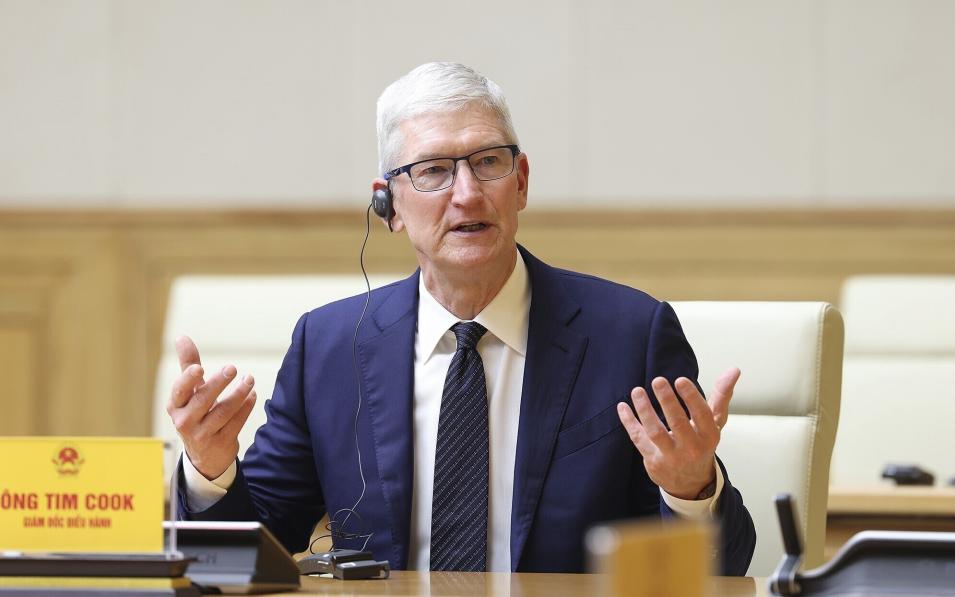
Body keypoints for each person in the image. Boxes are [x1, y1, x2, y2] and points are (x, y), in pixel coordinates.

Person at [167, 62, 756, 574]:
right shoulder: (329, 346)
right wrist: (210, 471)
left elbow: (723, 569)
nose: (468, 194)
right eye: (433, 171)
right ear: (389, 204)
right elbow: (249, 553)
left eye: (488, 162)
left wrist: (689, 489)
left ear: (521, 182)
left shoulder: (630, 334)